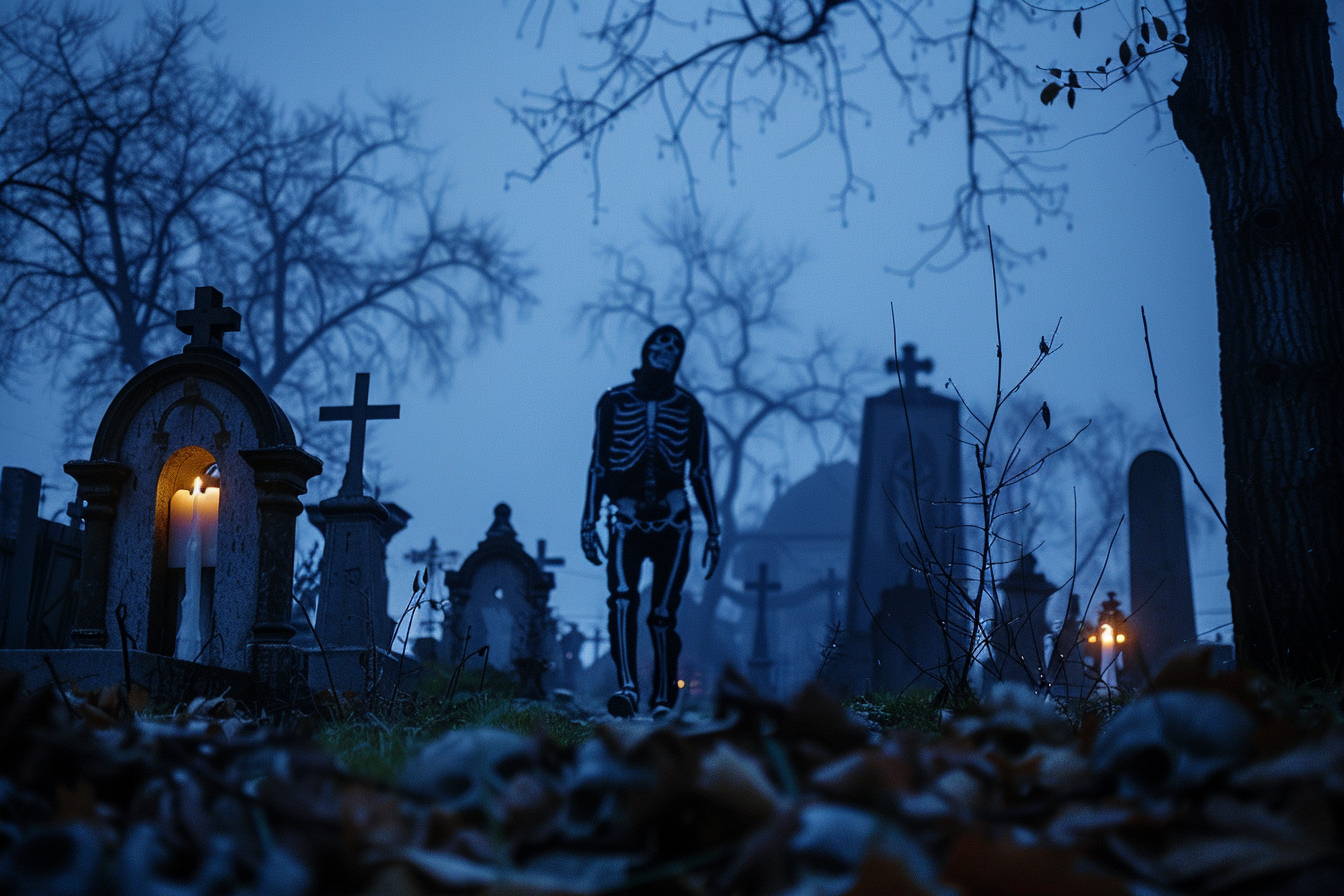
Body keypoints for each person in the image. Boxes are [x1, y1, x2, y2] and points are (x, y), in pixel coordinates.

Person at [581, 325, 720, 718]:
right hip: (626, 518)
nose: (667, 348)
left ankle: (662, 698)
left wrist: (714, 527)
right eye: (661, 342)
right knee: (623, 600)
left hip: (674, 521)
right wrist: (588, 521)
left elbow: (701, 472)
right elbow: (599, 465)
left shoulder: (689, 408)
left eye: (675, 345)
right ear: (646, 349)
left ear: (678, 357)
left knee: (663, 613)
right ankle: (627, 687)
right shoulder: (613, 402)